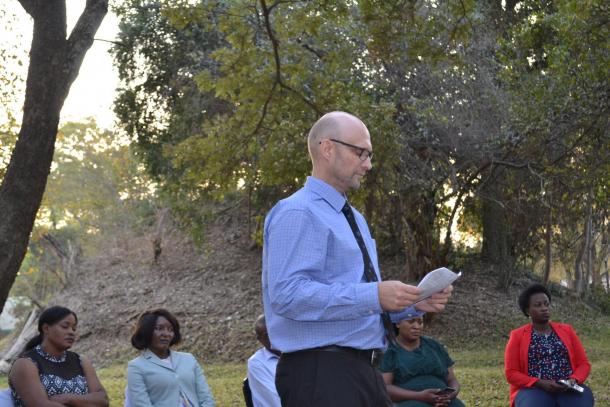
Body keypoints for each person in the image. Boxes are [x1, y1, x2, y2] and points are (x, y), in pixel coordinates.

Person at [262, 111, 453, 406]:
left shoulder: (354, 219)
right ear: (327, 148)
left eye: (370, 155)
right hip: (321, 375)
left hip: (363, 371)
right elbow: (287, 295)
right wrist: (374, 295)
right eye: (361, 153)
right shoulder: (298, 212)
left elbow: (358, 298)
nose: (368, 164)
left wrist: (411, 304)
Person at [504, 283, 595, 407]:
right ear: (527, 310)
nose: (544, 308)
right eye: (538, 305)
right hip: (533, 389)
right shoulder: (517, 336)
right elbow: (511, 373)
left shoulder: (567, 330)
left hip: (568, 387)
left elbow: (583, 364)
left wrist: (573, 380)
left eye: (546, 304)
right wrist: (539, 383)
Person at [8, 306, 109, 407]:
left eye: (74, 328)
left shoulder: (81, 361)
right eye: (65, 326)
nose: (71, 332)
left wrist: (68, 398)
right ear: (46, 328)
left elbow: (102, 399)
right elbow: (41, 404)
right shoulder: (26, 363)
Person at [127, 308, 215, 407]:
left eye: (171, 330)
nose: (166, 334)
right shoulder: (136, 366)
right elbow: (141, 404)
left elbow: (206, 396)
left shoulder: (189, 359)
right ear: (146, 331)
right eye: (159, 328)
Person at [380, 309, 464, 407]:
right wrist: (419, 396)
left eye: (420, 322)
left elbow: (451, 379)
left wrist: (451, 394)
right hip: (409, 400)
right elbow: (385, 388)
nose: (417, 326)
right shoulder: (389, 350)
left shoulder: (433, 345)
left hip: (444, 400)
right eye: (411, 321)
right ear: (398, 323)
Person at [247, 315, 281, 407]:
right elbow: (275, 401)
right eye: (267, 335)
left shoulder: (297, 354)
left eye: (276, 332)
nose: (273, 338)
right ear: (259, 339)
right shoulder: (257, 363)